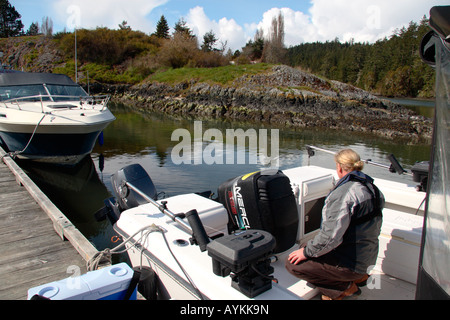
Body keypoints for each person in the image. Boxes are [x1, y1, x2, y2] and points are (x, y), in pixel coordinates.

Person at [285, 149, 384, 300]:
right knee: (307, 247)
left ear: (339, 167)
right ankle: (360, 277)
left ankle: (344, 288)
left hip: (351, 264)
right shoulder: (373, 189)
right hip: (368, 258)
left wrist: (305, 253)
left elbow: (329, 239)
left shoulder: (343, 194)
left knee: (293, 264)